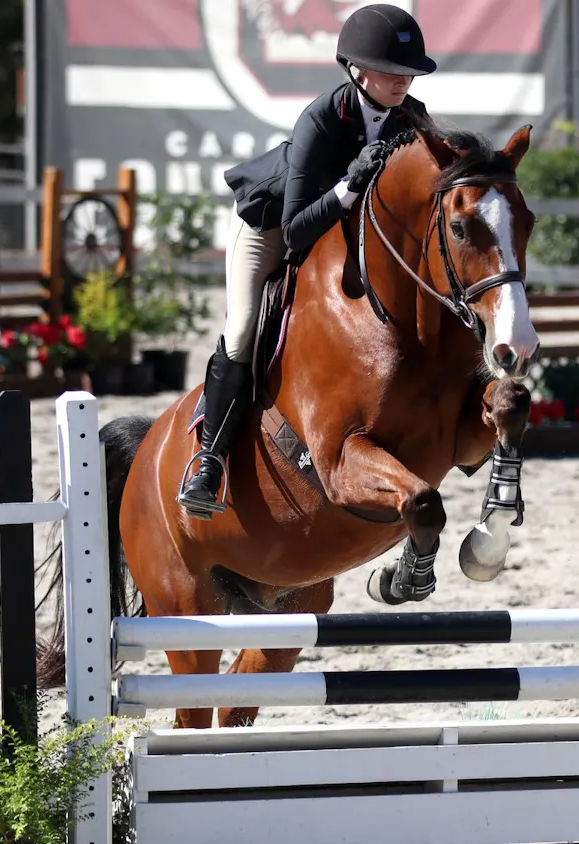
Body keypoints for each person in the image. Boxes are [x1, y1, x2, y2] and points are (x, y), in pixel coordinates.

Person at [177, 3, 438, 518]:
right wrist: (348, 185)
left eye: (408, 73)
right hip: (271, 224)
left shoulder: (412, 118)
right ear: (356, 71)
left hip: (344, 234)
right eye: (391, 71)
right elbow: (296, 231)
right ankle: (210, 460)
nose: (402, 82)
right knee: (245, 326)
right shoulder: (320, 119)